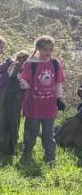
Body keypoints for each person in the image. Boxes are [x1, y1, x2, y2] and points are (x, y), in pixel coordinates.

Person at [19, 35, 65, 165]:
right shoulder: (30, 64)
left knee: (48, 134)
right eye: (45, 49)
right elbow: (27, 84)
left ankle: (50, 159)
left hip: (49, 106)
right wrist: (19, 80)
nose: (48, 53)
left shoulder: (55, 63)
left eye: (50, 49)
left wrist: (59, 98)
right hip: (33, 105)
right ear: (38, 48)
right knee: (31, 132)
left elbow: (58, 83)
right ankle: (26, 154)